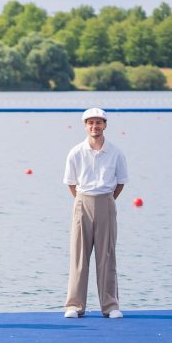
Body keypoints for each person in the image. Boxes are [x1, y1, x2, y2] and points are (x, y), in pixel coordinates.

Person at [63, 107, 128, 319]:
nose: (95, 126)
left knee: (107, 255)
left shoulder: (116, 152)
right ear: (85, 126)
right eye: (90, 123)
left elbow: (120, 182)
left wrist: (105, 200)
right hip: (82, 202)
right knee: (79, 256)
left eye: (99, 123)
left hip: (106, 202)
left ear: (105, 125)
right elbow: (71, 183)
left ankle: (110, 305)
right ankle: (74, 305)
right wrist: (84, 200)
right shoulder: (75, 152)